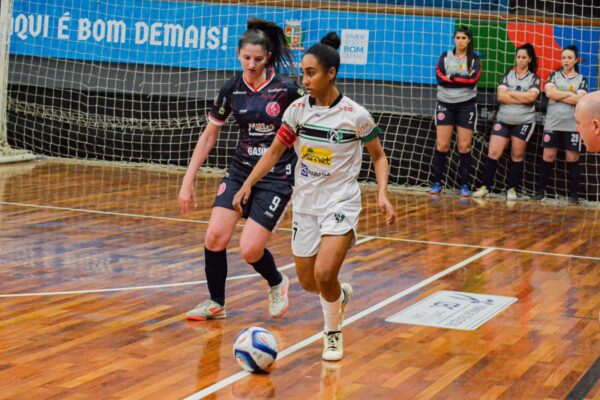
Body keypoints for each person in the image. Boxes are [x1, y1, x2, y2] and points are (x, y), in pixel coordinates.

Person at [232, 32, 396, 361]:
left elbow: (378, 156)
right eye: (303, 73)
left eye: (311, 73)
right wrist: (248, 182)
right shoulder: (296, 112)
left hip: (341, 202)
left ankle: (332, 333)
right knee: (310, 282)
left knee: (324, 274)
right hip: (306, 203)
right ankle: (337, 296)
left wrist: (382, 193)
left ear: (330, 73)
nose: (305, 80)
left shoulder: (355, 115)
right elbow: (275, 151)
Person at [178, 18, 304, 321]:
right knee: (215, 237)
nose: (251, 64)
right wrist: (188, 179)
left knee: (249, 250)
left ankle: (277, 281)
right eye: (246, 58)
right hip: (240, 170)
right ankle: (216, 303)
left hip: (277, 176)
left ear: (268, 58)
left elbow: (304, 134)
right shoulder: (231, 89)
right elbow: (209, 135)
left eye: (257, 59)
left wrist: (306, 180)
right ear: (238, 54)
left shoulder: (286, 90)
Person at [473, 43, 540, 200]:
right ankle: (485, 187)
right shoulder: (507, 75)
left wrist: (511, 92)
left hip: (524, 122)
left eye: (524, 57)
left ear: (529, 59)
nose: (521, 60)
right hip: (503, 119)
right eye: (518, 57)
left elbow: (531, 98)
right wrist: (520, 96)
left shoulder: (534, 78)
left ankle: (512, 189)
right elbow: (501, 97)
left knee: (517, 155)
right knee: (493, 152)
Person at [431, 25, 482, 196]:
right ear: (454, 39)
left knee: (464, 146)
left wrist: (451, 77)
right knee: (443, 145)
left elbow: (472, 80)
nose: (460, 41)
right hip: (445, 103)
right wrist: (458, 79)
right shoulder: (445, 56)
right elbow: (440, 78)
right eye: (458, 38)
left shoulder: (474, 59)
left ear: (469, 40)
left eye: (463, 38)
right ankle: (437, 182)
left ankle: (465, 185)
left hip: (466, 105)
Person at [535, 45, 588, 204]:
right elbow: (549, 93)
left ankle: (573, 196)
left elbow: (580, 99)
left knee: (572, 158)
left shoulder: (581, 79)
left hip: (572, 125)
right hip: (553, 123)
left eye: (569, 58)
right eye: (563, 57)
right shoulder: (554, 76)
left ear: (576, 60)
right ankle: (540, 192)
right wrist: (569, 95)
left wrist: (560, 95)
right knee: (548, 156)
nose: (566, 60)